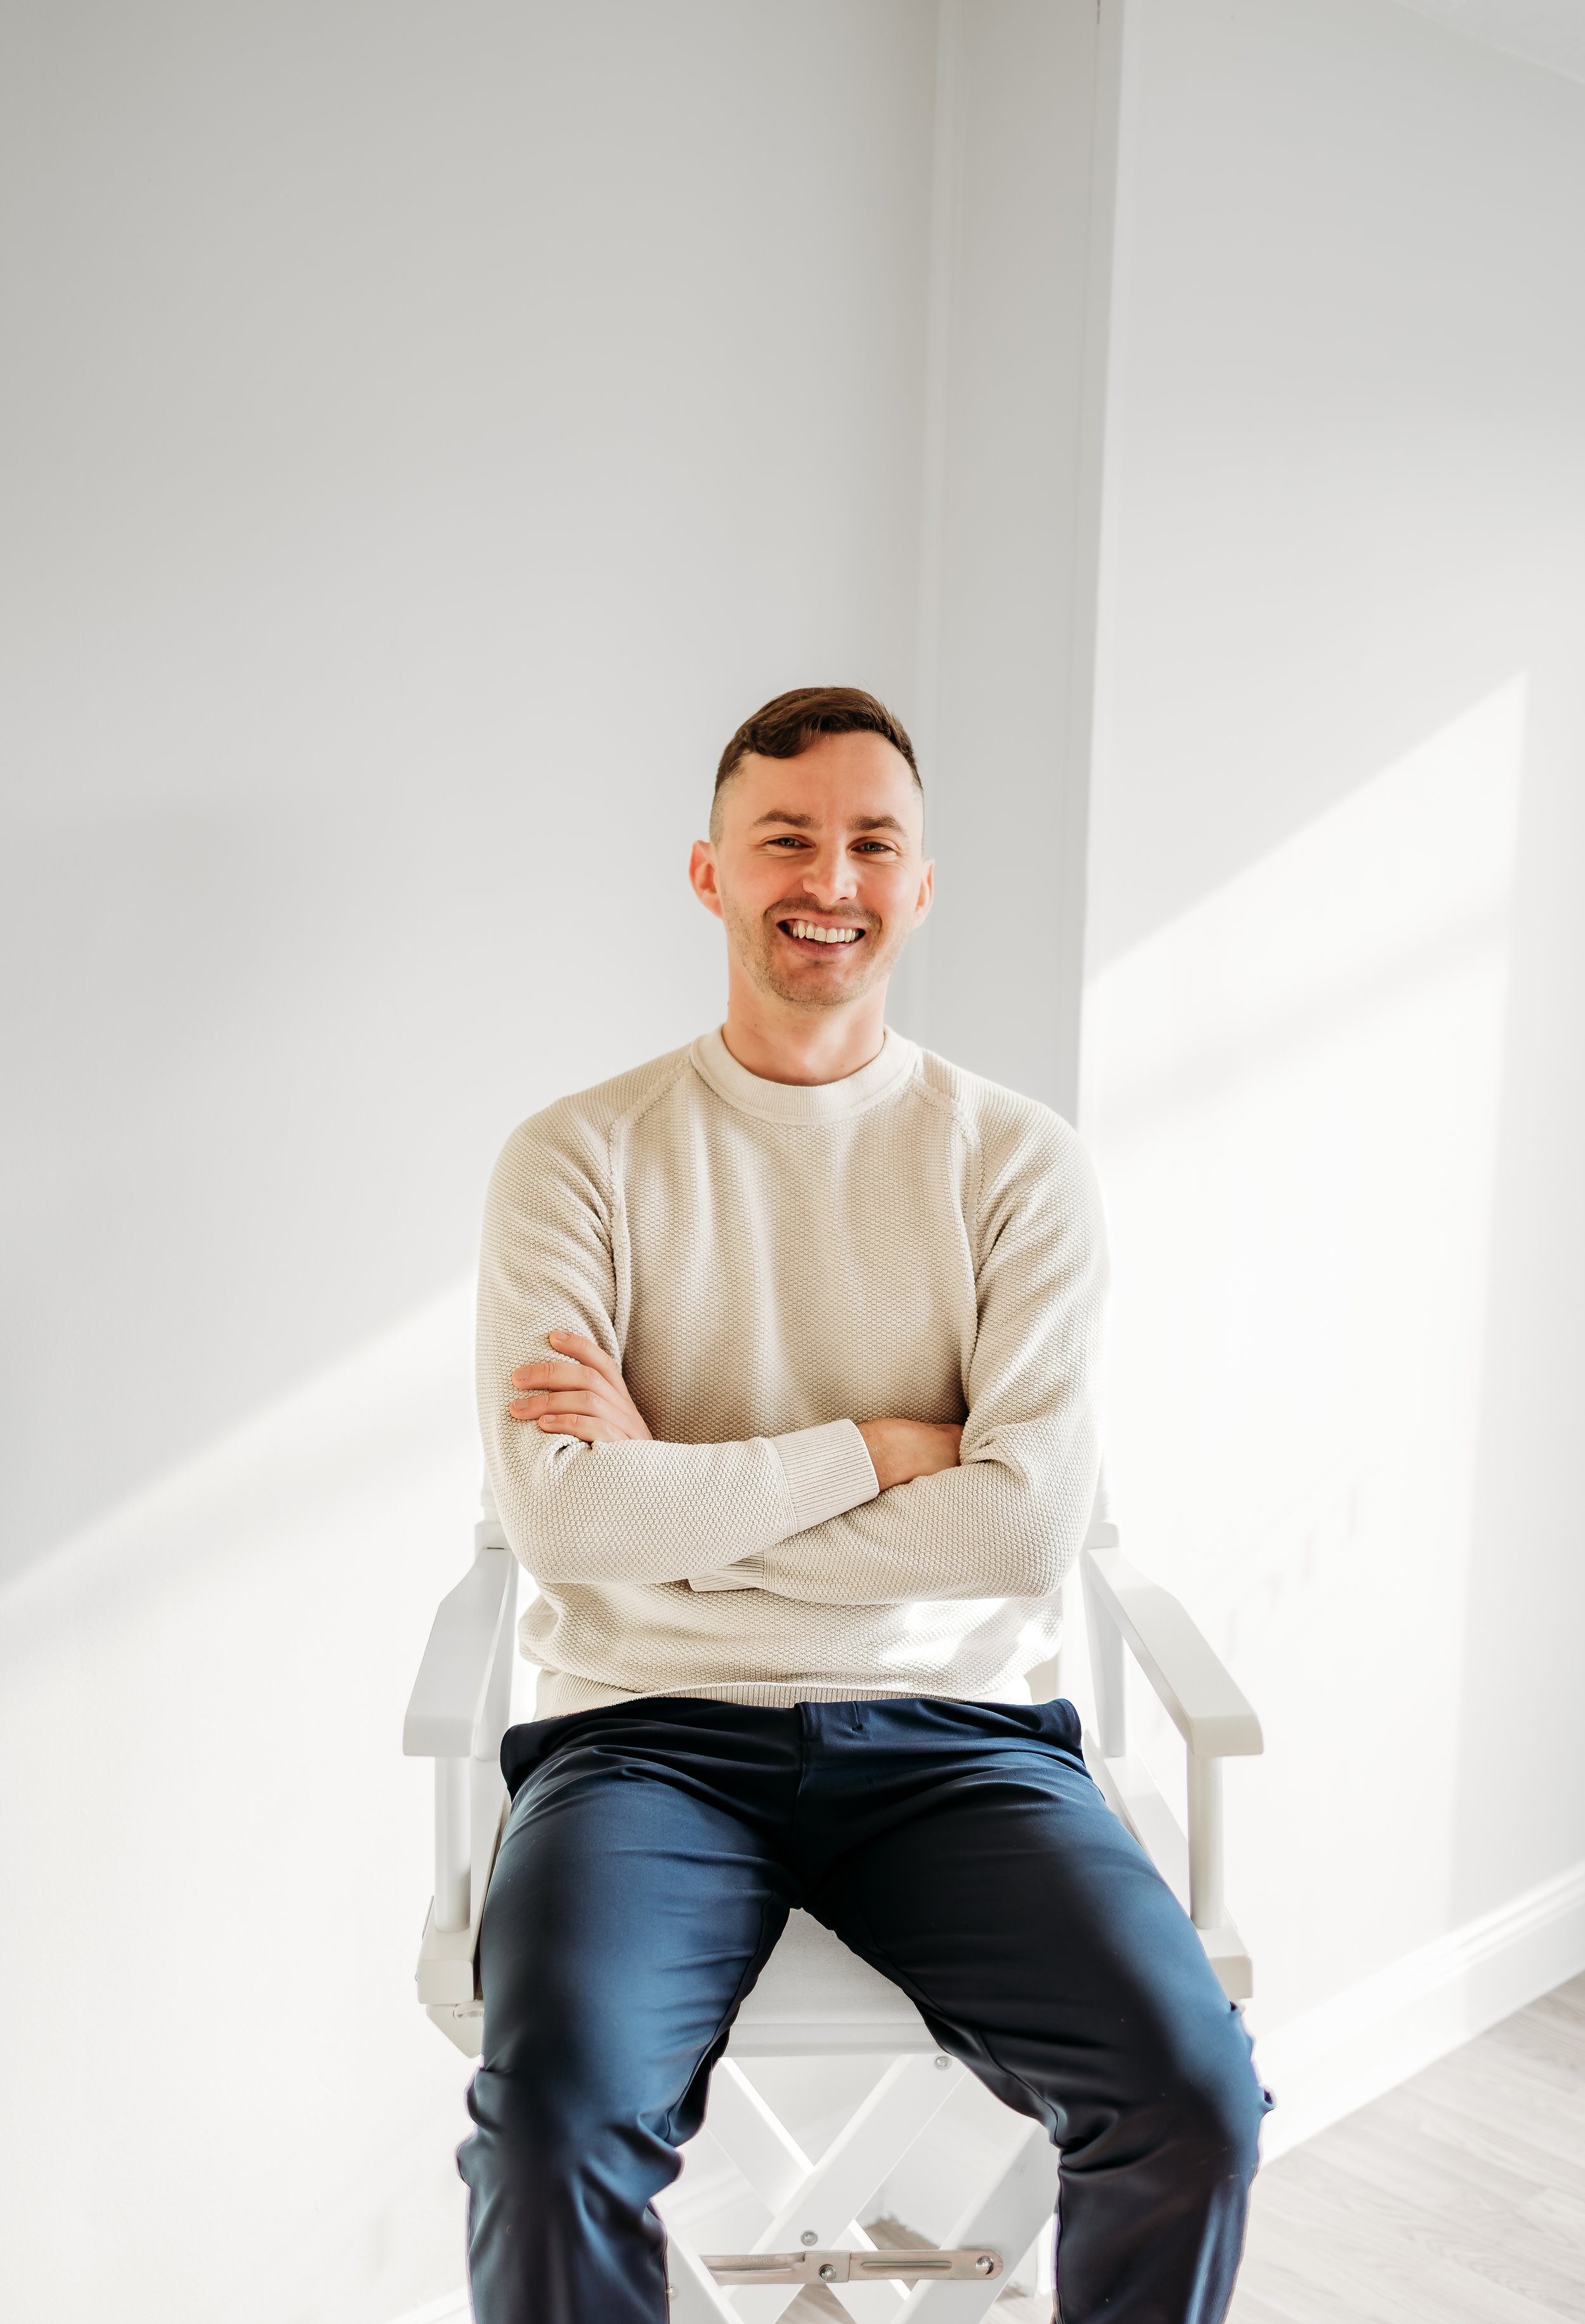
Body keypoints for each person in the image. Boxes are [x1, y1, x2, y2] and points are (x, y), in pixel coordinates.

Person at [457, 686, 1267, 2321]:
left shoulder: (1018, 1164)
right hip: (646, 1736)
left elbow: (1023, 1531)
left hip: (955, 1733)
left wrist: (684, 1502)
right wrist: (889, 1448)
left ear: (920, 882)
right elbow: (570, 1529)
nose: (829, 878)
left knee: (1193, 2102)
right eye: (786, 839)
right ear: (709, 874)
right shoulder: (578, 1157)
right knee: (550, 2125)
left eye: (871, 843)